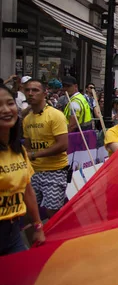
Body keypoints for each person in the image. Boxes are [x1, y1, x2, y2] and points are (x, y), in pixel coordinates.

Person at [0, 84, 46, 255]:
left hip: (13, 235)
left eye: (10, 103)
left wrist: (38, 226)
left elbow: (27, 190)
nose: (5, 110)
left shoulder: (18, 150)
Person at [22, 79, 69, 218]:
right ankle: (35, 240)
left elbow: (63, 145)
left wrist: (35, 154)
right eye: (27, 90)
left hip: (55, 170)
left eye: (35, 90)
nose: (30, 94)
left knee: (52, 212)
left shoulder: (55, 115)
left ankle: (58, 239)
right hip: (34, 172)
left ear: (44, 93)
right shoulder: (27, 119)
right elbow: (28, 146)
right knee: (29, 212)